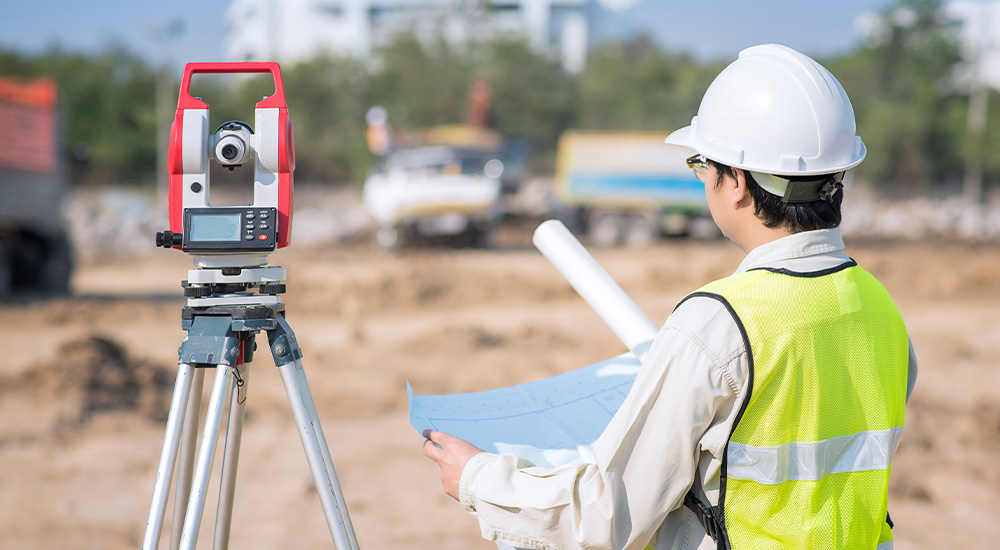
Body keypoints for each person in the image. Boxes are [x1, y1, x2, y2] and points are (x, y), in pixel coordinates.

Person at [422, 43, 918, 550]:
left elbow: (612, 513)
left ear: (738, 183)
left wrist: (480, 480)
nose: (702, 178)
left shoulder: (719, 326)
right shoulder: (881, 310)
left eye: (702, 164)